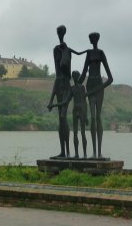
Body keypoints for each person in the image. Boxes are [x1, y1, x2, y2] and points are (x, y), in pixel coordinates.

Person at [48, 25, 85, 158]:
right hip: (58, 82)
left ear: (64, 34)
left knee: (63, 117)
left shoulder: (67, 50)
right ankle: (63, 151)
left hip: (65, 83)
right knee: (60, 119)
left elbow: (64, 65)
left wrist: (65, 51)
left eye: (61, 33)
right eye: (58, 33)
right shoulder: (55, 50)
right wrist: (51, 100)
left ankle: (68, 151)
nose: (59, 35)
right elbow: (58, 74)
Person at [78, 32, 113, 159]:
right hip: (90, 85)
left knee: (97, 117)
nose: (91, 41)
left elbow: (110, 79)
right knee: (92, 118)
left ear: (95, 39)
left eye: (91, 39)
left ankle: (99, 152)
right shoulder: (88, 54)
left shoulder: (101, 53)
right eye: (90, 39)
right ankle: (94, 153)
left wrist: (99, 88)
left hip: (98, 86)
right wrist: (76, 86)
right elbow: (83, 73)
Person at [49, 71, 88, 158]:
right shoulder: (72, 88)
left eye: (75, 76)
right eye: (73, 76)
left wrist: (86, 116)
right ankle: (77, 154)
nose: (75, 78)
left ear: (78, 77)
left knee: (82, 133)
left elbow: (85, 102)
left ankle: (85, 154)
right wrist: (54, 105)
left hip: (81, 110)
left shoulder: (82, 87)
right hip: (76, 110)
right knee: (75, 133)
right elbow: (65, 101)